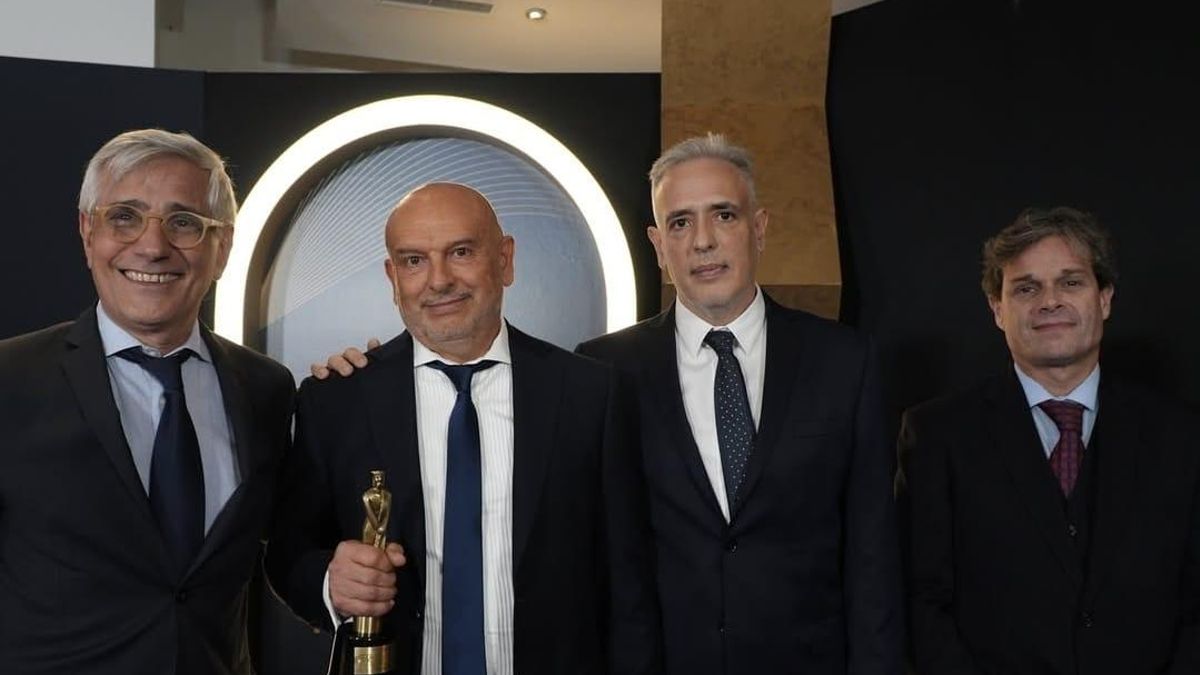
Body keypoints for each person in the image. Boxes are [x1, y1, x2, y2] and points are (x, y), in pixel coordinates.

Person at [266, 183, 660, 675]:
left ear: (505, 259)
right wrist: (331, 582)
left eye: (461, 252)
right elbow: (288, 550)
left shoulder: (590, 395)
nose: (439, 280)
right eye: (414, 261)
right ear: (392, 277)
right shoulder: (336, 399)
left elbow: (631, 588)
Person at [577, 134, 902, 674]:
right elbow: (594, 558)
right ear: (659, 246)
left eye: (723, 215)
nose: (702, 241)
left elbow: (874, 555)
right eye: (680, 222)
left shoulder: (845, 360)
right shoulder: (604, 371)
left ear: (759, 228)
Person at [0, 129, 295, 674]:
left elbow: (287, 555)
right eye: (124, 217)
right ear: (88, 233)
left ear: (222, 248)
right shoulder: (9, 380)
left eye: (183, 222)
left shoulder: (266, 391)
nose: (153, 246)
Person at [897, 207, 1200, 674]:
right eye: (1026, 287)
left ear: (1105, 299)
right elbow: (921, 600)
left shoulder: (1180, 436)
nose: (1050, 301)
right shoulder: (937, 435)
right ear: (997, 309)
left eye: (1071, 282)